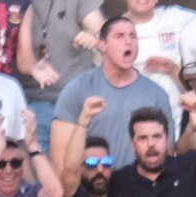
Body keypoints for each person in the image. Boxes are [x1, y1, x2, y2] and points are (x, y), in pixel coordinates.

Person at [50, 17, 173, 167]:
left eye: (132, 36)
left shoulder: (156, 94)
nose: (128, 42)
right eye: (119, 36)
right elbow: (60, 162)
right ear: (102, 45)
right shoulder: (77, 89)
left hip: (140, 186)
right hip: (94, 185)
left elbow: (166, 153)